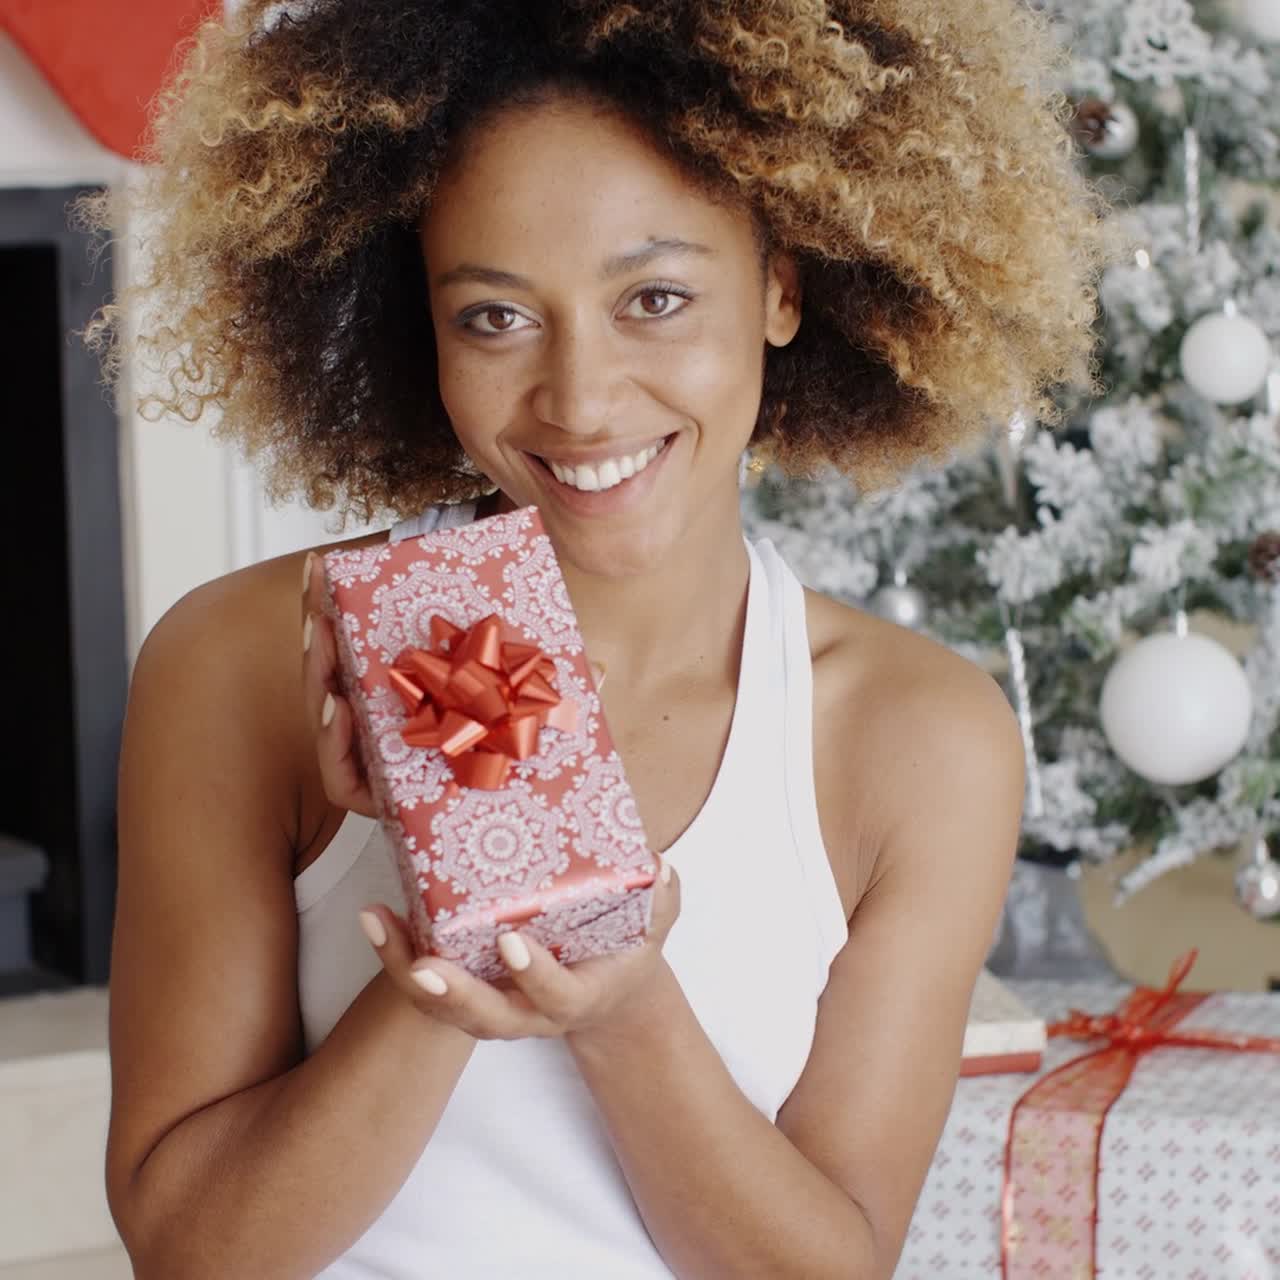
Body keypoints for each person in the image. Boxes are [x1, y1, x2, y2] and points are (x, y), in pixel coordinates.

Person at [89, 1, 1109, 1276]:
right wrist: (446, 924)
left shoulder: (915, 738)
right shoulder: (245, 661)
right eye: (494, 317)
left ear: (781, 287)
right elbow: (190, 1250)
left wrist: (622, 1004)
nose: (577, 399)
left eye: (656, 296)